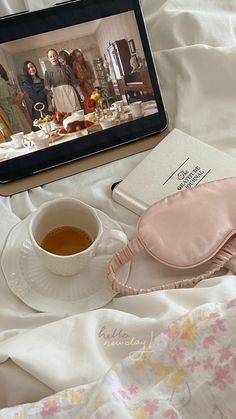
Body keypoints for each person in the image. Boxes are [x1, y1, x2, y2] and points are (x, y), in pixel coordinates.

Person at [44, 48, 81, 113]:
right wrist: (50, 104)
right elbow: (47, 90)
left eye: (54, 55)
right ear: (49, 59)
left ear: (57, 56)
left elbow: (75, 82)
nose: (53, 58)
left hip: (70, 93)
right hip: (58, 97)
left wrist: (80, 94)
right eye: (51, 57)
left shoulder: (66, 67)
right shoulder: (47, 72)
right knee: (64, 116)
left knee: (76, 113)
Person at [0, 64, 31, 134]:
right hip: (11, 112)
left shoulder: (2, 82)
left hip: (12, 112)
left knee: (21, 135)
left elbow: (8, 102)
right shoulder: (2, 82)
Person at [21, 61, 52, 128]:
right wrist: (46, 90)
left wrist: (50, 103)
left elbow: (49, 95)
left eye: (32, 66)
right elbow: (35, 97)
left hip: (48, 108)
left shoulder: (42, 80)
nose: (31, 69)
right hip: (38, 109)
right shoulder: (25, 84)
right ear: (26, 71)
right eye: (28, 69)